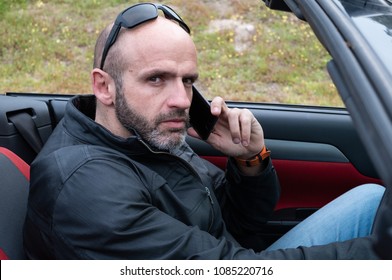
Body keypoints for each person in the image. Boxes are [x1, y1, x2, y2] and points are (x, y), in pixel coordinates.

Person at [23, 3, 385, 259]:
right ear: (104, 87)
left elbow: (235, 224)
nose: (181, 99)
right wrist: (377, 254)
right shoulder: (86, 187)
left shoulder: (145, 134)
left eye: (188, 80)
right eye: (156, 79)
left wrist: (249, 161)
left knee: (370, 199)